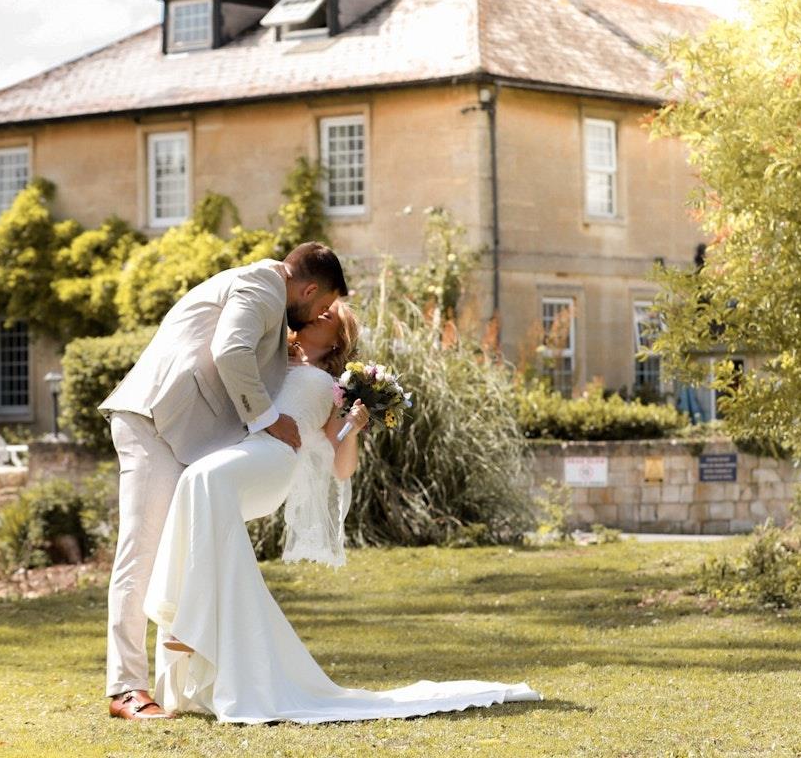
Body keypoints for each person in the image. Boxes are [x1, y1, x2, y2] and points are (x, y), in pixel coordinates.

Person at [144, 301, 542, 723]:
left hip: (276, 460)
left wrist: (355, 422)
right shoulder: (272, 357)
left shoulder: (334, 388)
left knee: (206, 479)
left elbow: (341, 465)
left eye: (330, 316)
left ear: (339, 339)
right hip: (243, 452)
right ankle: (189, 622)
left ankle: (191, 621)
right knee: (195, 481)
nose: (318, 314)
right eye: (318, 309)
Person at [99, 242, 348, 720]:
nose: (317, 315)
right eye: (320, 306)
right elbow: (230, 350)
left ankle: (172, 677)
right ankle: (126, 689)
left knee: (173, 548)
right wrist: (268, 419)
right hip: (153, 421)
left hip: (180, 431)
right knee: (142, 550)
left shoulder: (270, 298)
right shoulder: (262, 285)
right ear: (310, 288)